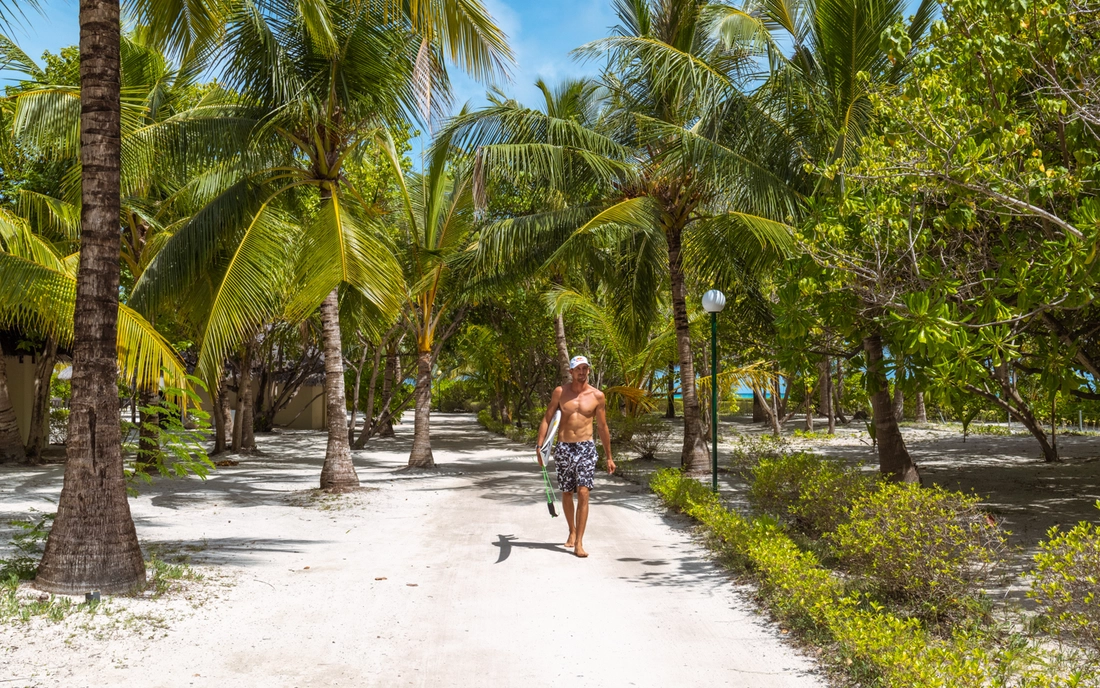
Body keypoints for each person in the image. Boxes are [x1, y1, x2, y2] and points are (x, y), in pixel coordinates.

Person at [536, 355, 615, 558]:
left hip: (586, 447)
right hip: (563, 447)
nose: (582, 372)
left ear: (589, 370)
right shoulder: (560, 392)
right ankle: (571, 530)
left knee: (583, 492)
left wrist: (609, 456)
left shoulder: (597, 396)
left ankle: (579, 541)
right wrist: (540, 446)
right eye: (578, 369)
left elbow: (603, 427)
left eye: (585, 368)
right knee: (567, 492)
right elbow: (547, 418)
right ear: (570, 372)